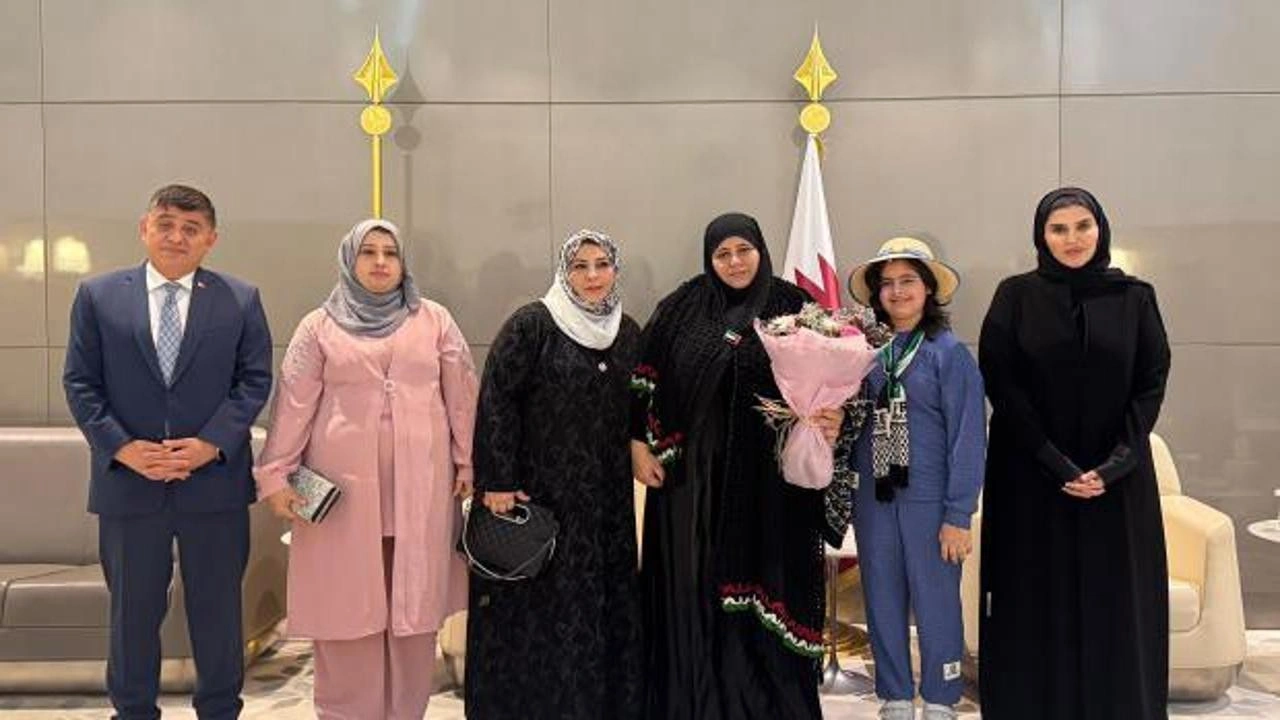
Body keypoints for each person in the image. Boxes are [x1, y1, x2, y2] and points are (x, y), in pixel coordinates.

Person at [63, 184, 273, 719]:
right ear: (145, 229)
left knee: (217, 613)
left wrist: (211, 444)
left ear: (211, 239)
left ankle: (220, 710)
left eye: (191, 228)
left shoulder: (241, 298)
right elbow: (80, 383)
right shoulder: (98, 296)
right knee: (132, 615)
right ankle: (132, 711)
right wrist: (121, 447)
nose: (177, 236)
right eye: (166, 224)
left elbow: (254, 381)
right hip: (129, 485)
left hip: (214, 485)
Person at [253, 218, 477, 720]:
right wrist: (276, 476)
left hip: (421, 490)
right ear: (349, 260)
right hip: (341, 496)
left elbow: (462, 396)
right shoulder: (319, 326)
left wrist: (468, 460)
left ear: (403, 263)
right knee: (345, 611)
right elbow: (293, 405)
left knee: (413, 615)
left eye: (390, 253)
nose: (380, 262)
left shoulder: (434, 320)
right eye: (368, 252)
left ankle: (405, 712)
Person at [629, 212, 843, 720]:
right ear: (709, 259)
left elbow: (836, 386)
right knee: (694, 589)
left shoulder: (793, 306)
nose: (734, 262)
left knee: (766, 579)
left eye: (743, 250)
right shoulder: (682, 308)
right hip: (691, 484)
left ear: (760, 251)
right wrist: (638, 444)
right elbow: (642, 381)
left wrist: (834, 416)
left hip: (769, 482)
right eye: (722, 254)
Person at [977, 187, 1171, 719]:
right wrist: (1054, 461)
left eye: (1082, 226)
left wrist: (1116, 465)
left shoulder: (1136, 297)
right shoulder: (1015, 296)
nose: (1072, 239)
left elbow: (1151, 382)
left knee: (1116, 602)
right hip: (1032, 479)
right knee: (1034, 600)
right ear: (1041, 236)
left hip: (1117, 486)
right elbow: (1002, 383)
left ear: (1100, 228)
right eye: (1058, 229)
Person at [465, 229, 644, 719]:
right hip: (542, 496)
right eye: (579, 266)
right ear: (564, 272)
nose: (592, 275)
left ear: (615, 270)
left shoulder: (627, 332)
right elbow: (497, 399)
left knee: (600, 604)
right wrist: (497, 480)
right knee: (545, 607)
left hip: (606, 501)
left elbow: (641, 403)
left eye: (602, 264)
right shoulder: (533, 327)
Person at [843, 237, 985, 720]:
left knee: (936, 600)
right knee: (881, 598)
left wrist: (958, 514)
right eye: (887, 283)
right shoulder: (862, 354)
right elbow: (849, 424)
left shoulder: (949, 353)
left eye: (908, 281)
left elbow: (968, 437)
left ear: (928, 289)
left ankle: (942, 698)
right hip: (874, 499)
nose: (897, 291)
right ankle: (896, 696)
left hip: (931, 502)